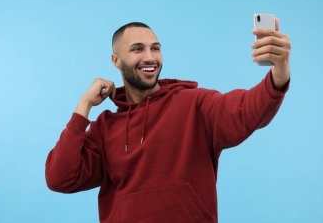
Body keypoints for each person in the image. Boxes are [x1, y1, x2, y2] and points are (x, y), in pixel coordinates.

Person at [45, 21, 291, 223]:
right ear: (116, 61)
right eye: (137, 49)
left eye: (156, 48)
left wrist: (279, 72)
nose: (150, 57)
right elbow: (60, 177)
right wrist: (83, 108)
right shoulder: (105, 127)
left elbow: (245, 110)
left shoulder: (195, 104)